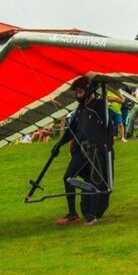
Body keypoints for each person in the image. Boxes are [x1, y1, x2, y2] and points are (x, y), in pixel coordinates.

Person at [52, 77, 114, 227]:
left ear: (88, 91)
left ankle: (91, 215)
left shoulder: (99, 105)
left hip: (96, 151)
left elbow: (108, 129)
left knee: (96, 180)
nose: (78, 95)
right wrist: (58, 145)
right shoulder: (80, 109)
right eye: (77, 92)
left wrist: (105, 149)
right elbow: (72, 130)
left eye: (80, 92)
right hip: (81, 150)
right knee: (68, 177)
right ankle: (72, 213)